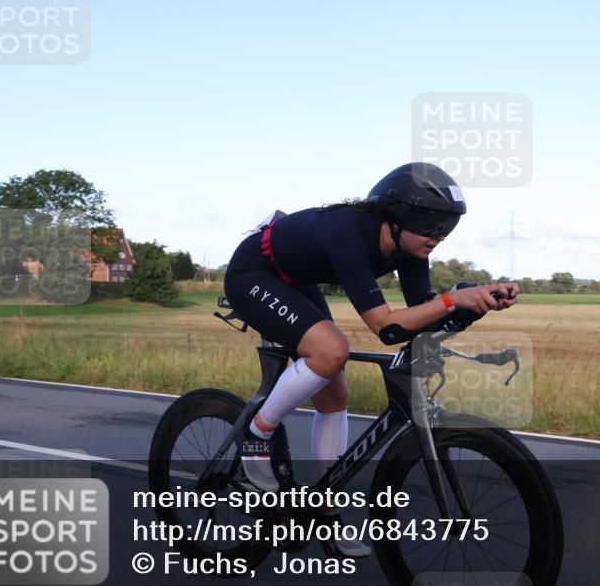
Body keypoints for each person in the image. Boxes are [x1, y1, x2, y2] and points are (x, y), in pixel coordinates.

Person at [222, 162, 518, 557]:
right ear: (396, 218)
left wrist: (471, 305)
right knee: (331, 351)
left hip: (297, 282)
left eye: (447, 226)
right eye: (432, 225)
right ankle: (256, 435)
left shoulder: (410, 248)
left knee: (335, 394)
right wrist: (451, 300)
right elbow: (387, 327)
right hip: (254, 275)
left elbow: (420, 319)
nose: (440, 236)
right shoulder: (349, 233)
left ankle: (323, 510)